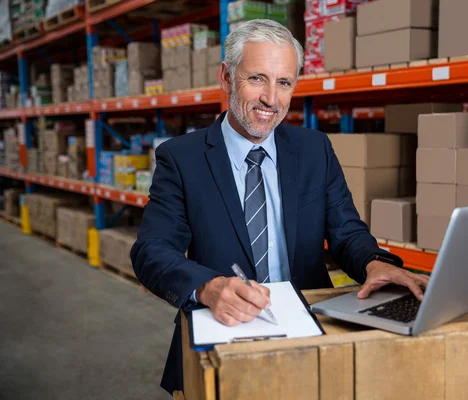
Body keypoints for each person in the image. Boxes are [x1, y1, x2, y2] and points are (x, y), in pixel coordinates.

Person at [130, 19, 429, 395]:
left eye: (284, 82)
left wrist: (375, 264)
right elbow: (152, 251)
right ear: (226, 77)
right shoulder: (181, 158)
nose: (271, 99)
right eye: (257, 78)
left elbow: (347, 232)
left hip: (311, 329)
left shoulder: (313, 149)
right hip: (224, 334)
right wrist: (207, 287)